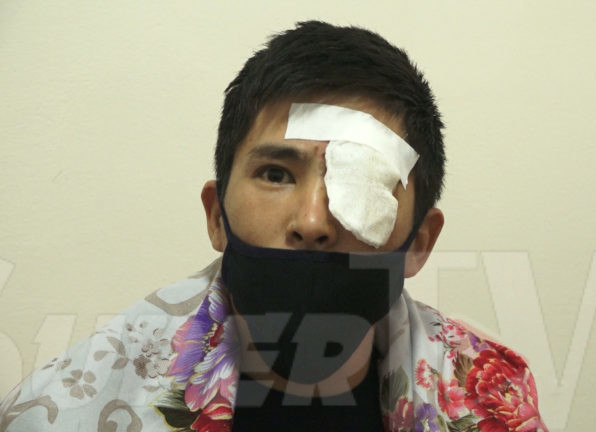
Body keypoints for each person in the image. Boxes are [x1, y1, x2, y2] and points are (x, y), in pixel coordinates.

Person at [0, 21, 548, 431]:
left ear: (419, 243)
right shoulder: (68, 406)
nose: (312, 222)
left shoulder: (489, 397)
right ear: (216, 215)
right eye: (276, 174)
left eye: (364, 187)